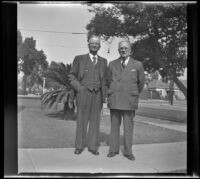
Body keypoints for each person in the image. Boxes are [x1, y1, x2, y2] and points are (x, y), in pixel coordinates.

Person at [68, 35, 108, 156]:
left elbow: (105, 80)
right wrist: (79, 88)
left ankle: (93, 147)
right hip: (83, 93)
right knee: (82, 121)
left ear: (99, 46)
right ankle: (79, 146)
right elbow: (71, 76)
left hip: (97, 95)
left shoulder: (104, 61)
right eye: (92, 43)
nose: (94, 45)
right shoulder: (79, 59)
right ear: (88, 45)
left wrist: (104, 94)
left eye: (96, 44)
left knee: (95, 122)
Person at [106, 40, 145, 161]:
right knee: (114, 127)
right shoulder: (112, 64)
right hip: (115, 99)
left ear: (130, 50)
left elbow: (141, 83)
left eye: (125, 48)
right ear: (118, 50)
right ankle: (113, 150)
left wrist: (132, 93)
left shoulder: (138, 65)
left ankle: (128, 152)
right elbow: (108, 81)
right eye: (121, 48)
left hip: (129, 101)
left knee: (128, 128)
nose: (123, 50)